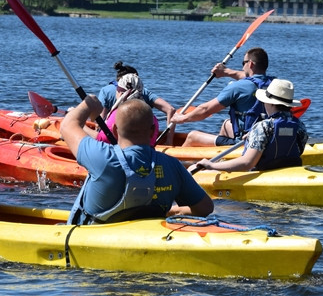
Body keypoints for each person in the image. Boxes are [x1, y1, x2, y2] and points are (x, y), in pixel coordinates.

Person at [61, 95, 214, 225]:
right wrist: (172, 211)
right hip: (145, 238)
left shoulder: (102, 156)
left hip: (91, 241)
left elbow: (67, 126)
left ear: (114, 130)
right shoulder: (172, 164)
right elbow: (205, 208)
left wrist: (90, 102)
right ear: (153, 130)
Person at [188, 79, 308, 173]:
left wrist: (211, 165)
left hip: (262, 173)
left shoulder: (263, 127)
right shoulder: (300, 126)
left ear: (269, 102)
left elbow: (247, 163)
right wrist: (254, 137)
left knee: (191, 169)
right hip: (288, 171)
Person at [170, 47, 275, 147]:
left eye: (243, 63)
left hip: (245, 142)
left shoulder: (238, 87)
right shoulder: (275, 84)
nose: (242, 67)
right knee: (226, 124)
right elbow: (252, 77)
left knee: (192, 136)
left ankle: (181, 165)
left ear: (250, 64)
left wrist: (182, 118)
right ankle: (219, 160)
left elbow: (205, 110)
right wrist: (226, 72)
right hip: (270, 137)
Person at [95, 61, 177, 143]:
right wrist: (169, 140)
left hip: (112, 139)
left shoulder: (105, 91)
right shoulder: (143, 92)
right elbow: (171, 109)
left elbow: (99, 123)